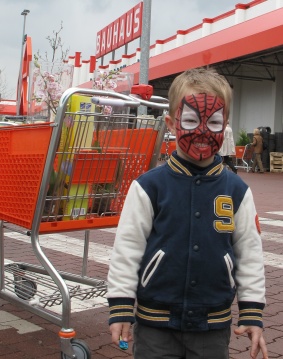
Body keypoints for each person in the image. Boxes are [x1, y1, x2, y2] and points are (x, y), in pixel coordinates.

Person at [107, 67, 268, 359]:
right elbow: (127, 247)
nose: (203, 131)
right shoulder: (148, 187)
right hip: (155, 322)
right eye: (191, 120)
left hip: (212, 324)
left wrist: (252, 312)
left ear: (226, 125)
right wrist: (120, 306)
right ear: (171, 123)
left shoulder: (237, 191)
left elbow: (250, 253)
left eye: (214, 122)